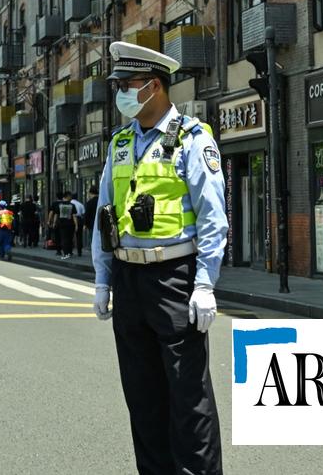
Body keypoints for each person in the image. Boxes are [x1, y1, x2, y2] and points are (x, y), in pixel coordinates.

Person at [89, 42, 228, 474]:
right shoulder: (121, 142)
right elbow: (104, 213)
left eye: (127, 86)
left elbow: (212, 217)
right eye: (118, 86)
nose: (121, 95)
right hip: (130, 280)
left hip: (175, 278)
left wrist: (204, 283)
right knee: (143, 398)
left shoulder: (191, 138)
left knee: (188, 397)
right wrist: (102, 279)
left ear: (154, 86)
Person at [48, 192, 78, 259]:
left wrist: (54, 223)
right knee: (70, 238)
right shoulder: (72, 205)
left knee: (64, 239)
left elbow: (56, 215)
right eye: (70, 196)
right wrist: (76, 225)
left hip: (62, 224)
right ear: (67, 197)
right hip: (70, 224)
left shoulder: (59, 205)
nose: (71, 198)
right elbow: (74, 216)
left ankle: (66, 253)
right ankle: (69, 252)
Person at [71, 192, 86, 257]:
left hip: (71, 219)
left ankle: (69, 251)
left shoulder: (70, 203)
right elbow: (83, 214)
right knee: (79, 236)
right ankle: (79, 252)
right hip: (79, 220)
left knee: (69, 236)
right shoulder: (80, 204)